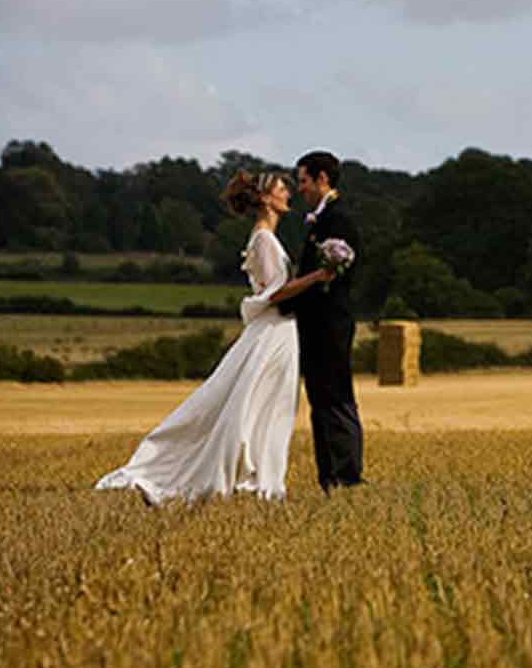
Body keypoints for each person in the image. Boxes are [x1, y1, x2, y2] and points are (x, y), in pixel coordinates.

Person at [95, 171, 333, 506]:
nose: (288, 195)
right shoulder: (264, 239)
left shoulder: (267, 238)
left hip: (279, 332)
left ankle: (259, 478)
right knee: (259, 406)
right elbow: (275, 294)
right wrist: (319, 276)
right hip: (273, 333)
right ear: (266, 199)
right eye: (282, 190)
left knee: (265, 406)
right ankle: (251, 479)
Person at [278, 149, 365, 492]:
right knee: (322, 398)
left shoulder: (337, 219)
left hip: (329, 323)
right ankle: (330, 475)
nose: (299, 189)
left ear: (322, 179)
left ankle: (345, 475)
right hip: (317, 323)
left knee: (335, 397)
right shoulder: (324, 217)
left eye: (303, 181)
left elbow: (333, 275)